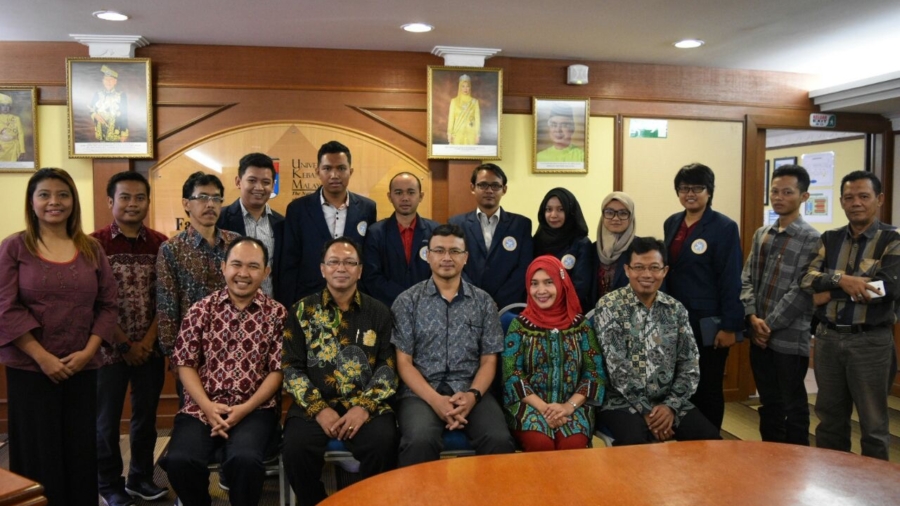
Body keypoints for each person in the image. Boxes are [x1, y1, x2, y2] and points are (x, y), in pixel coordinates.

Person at [0, 168, 118, 505]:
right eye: (45, 195)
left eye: (63, 195)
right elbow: (5, 307)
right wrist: (42, 357)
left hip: (82, 367)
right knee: (40, 451)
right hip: (31, 370)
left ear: (73, 201)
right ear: (32, 202)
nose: (55, 202)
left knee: (80, 450)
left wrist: (88, 352)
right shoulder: (14, 247)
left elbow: (108, 305)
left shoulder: (92, 248)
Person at [163, 237, 285, 505]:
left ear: (266, 272)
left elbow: (277, 371)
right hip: (201, 408)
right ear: (223, 267)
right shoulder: (201, 310)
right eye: (236, 265)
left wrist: (245, 408)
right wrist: (207, 406)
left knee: (245, 459)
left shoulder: (277, 315)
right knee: (179, 460)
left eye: (253, 266)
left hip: (255, 409)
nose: (243, 274)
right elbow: (185, 363)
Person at [282, 238, 398, 505]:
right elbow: (291, 367)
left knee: (384, 442)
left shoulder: (379, 312)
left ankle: (369, 501)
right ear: (322, 268)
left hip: (367, 403)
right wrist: (319, 409)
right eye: (333, 262)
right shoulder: (301, 310)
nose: (341, 268)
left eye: (349, 262)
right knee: (295, 448)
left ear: (360, 270)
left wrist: (364, 407)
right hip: (314, 404)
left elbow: (388, 367)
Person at [392, 224, 516, 467]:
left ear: (465, 257)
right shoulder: (407, 301)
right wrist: (435, 400)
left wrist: (472, 396)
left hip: (471, 390)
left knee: (499, 440)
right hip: (421, 393)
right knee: (419, 440)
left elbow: (489, 360)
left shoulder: (483, 302)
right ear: (428, 256)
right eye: (439, 250)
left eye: (455, 251)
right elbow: (403, 363)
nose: (447, 258)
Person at [801, 171, 900, 461]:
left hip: (870, 342)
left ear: (879, 200)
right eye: (849, 197)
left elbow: (887, 288)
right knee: (830, 420)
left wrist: (830, 288)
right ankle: (834, 489)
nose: (856, 203)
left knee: (873, 425)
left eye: (864, 196)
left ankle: (875, 494)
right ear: (842, 202)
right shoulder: (829, 238)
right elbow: (806, 279)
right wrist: (845, 282)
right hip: (828, 338)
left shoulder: (892, 240)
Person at [593, 237, 721, 445]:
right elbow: (617, 368)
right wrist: (647, 411)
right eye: (639, 267)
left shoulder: (675, 309)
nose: (646, 275)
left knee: (710, 440)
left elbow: (690, 363)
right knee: (638, 443)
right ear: (627, 270)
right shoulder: (609, 306)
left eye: (654, 268)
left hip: (669, 402)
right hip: (620, 402)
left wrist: (670, 406)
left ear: (665, 271)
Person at [92, 172, 169, 506]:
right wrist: (123, 343)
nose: (133, 204)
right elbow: (92, 301)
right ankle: (108, 483)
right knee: (105, 422)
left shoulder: (161, 244)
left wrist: (148, 341)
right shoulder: (93, 245)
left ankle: (140, 477)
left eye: (140, 198)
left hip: (149, 351)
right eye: (125, 197)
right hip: (106, 350)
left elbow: (165, 299)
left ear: (148, 202)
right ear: (111, 202)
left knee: (145, 419)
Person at [740, 165, 819, 446]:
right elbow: (746, 277)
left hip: (789, 337)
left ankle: (798, 462)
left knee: (793, 405)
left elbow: (803, 289)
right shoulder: (762, 233)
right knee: (768, 403)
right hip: (758, 336)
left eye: (788, 192)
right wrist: (751, 316)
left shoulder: (813, 239)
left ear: (804, 196)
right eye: (775, 191)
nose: (779, 197)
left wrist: (768, 324)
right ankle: (770, 457)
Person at [662, 163, 743, 431]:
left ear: (709, 192)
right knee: (681, 384)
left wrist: (730, 326)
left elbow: (730, 278)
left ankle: (710, 442)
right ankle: (687, 439)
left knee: (707, 385)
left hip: (709, 324)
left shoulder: (724, 227)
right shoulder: (672, 222)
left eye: (698, 188)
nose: (690, 193)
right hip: (675, 321)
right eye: (684, 188)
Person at [502, 255, 605, 451]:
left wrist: (568, 407)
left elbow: (594, 373)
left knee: (572, 444)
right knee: (540, 442)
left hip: (574, 406)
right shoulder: (519, 326)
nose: (541, 291)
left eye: (549, 282)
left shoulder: (581, 326)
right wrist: (544, 408)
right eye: (534, 284)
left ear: (561, 283)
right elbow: (511, 374)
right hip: (529, 406)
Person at [278, 140, 377, 307]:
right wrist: (289, 306)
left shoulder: (367, 208)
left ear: (350, 171)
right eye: (327, 168)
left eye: (341, 168)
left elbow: (368, 257)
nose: (334, 175)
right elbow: (289, 262)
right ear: (318, 171)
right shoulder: (297, 209)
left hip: (353, 300)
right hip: (308, 299)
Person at [157, 171, 241, 357]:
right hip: (190, 348)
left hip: (235, 343)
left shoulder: (235, 243)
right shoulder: (172, 249)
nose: (210, 204)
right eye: (202, 197)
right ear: (186, 203)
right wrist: (173, 353)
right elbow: (167, 306)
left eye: (216, 198)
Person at [449, 163, 533, 309]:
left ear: (504, 189)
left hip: (508, 306)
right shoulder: (457, 224)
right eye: (483, 185)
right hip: (467, 304)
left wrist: (498, 301)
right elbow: (454, 264)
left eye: (495, 186)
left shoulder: (521, 225)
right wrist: (477, 298)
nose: (489, 191)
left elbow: (523, 268)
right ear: (472, 188)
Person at [363, 172, 439, 307]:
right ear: (389, 196)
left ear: (421, 196)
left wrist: (424, 299)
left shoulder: (436, 231)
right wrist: (404, 299)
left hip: (429, 307)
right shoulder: (375, 232)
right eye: (398, 193)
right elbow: (372, 276)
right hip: (387, 307)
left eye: (411, 192)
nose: (405, 198)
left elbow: (442, 270)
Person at [217, 152, 285, 297]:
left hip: (270, 311)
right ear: (238, 182)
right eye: (252, 180)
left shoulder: (282, 224)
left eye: (266, 182)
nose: (259, 187)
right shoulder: (220, 219)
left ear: (273, 186)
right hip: (227, 311)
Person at [532, 188, 593, 312]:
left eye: (561, 209)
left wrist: (555, 308)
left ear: (571, 212)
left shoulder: (581, 243)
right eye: (548, 209)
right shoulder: (535, 241)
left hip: (568, 311)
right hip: (537, 309)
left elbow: (580, 286)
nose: (553, 215)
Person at [593, 192, 637, 302]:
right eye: (609, 212)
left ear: (630, 216)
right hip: (594, 315)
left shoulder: (640, 249)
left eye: (623, 213)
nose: (615, 218)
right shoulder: (592, 249)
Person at [90, 64, 129, 142]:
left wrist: (124, 133)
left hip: (116, 131)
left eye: (111, 79)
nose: (108, 82)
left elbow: (125, 115)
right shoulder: (97, 94)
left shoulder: (121, 95)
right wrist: (95, 115)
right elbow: (91, 109)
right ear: (103, 81)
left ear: (115, 82)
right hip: (100, 131)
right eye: (106, 79)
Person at [447, 74, 480, 145]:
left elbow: (477, 119)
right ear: (460, 87)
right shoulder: (454, 101)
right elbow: (451, 119)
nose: (465, 89)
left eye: (467, 86)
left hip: (471, 134)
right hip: (457, 134)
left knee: (470, 155)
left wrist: (477, 134)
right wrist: (449, 133)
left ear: (470, 87)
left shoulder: (474, 102)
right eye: (463, 86)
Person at [0, 93, 25, 162]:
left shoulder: (16, 118)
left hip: (14, 147)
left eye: (7, 106)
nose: (5, 108)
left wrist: (22, 150)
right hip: (1, 148)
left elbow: (20, 134)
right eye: (3, 105)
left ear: (10, 107)